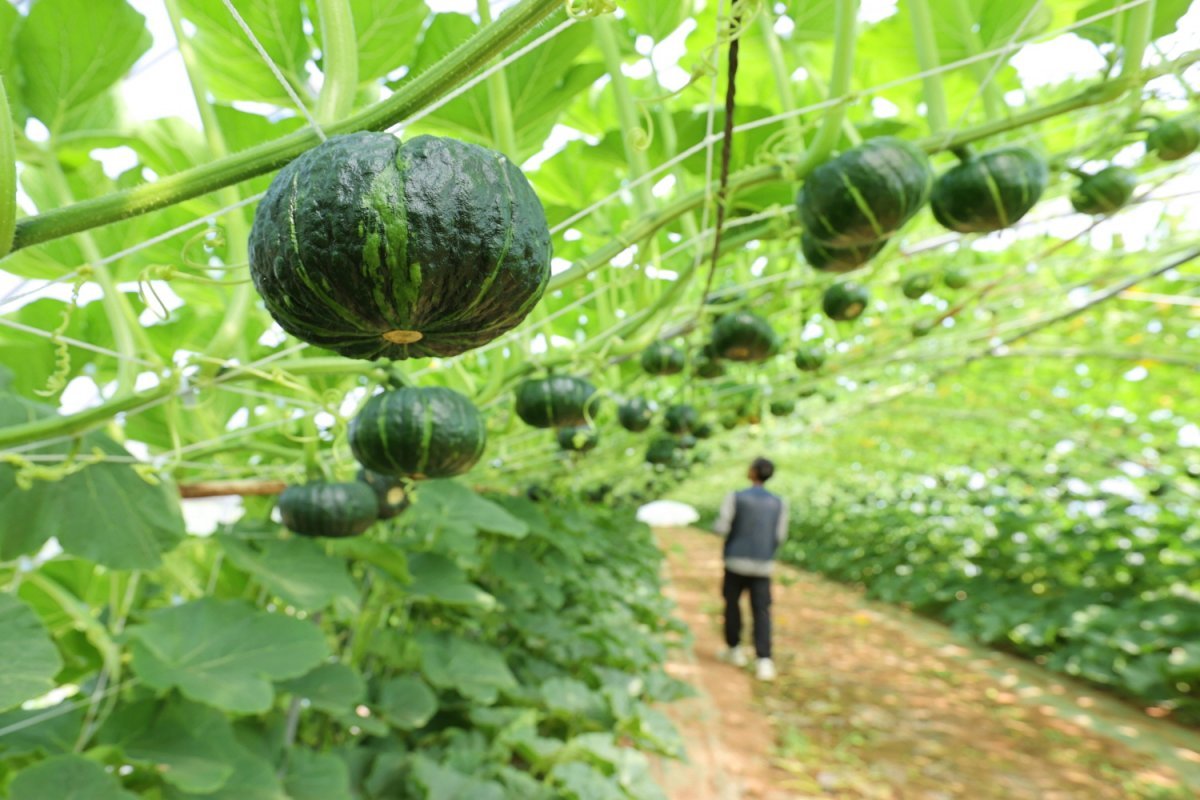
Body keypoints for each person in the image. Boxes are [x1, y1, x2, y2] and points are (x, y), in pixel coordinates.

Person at [713, 456, 788, 681]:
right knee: (762, 611)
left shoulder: (735, 497)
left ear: (753, 472)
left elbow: (722, 527)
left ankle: (734, 649)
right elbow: (780, 535)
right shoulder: (780, 502)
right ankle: (764, 660)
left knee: (732, 605)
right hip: (763, 565)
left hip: (735, 561)